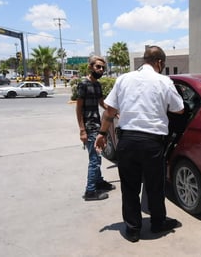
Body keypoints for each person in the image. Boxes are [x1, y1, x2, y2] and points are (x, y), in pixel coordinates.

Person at [95, 46, 184, 242]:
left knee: (129, 187)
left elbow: (109, 111)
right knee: (155, 186)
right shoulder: (164, 81)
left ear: (144, 60)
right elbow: (179, 109)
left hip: (126, 141)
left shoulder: (123, 79)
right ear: (159, 63)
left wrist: (102, 134)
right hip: (152, 143)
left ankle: (133, 229)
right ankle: (158, 223)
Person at [76, 55, 115, 201]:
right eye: (98, 66)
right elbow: (78, 109)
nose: (101, 70)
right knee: (95, 159)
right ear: (90, 67)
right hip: (89, 127)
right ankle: (90, 191)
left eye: (103, 68)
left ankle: (99, 182)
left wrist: (113, 111)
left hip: (97, 125)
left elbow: (101, 103)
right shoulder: (83, 84)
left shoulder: (97, 85)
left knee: (98, 155)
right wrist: (82, 130)